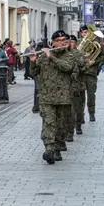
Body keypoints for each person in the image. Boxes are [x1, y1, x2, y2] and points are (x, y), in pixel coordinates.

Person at [29, 30, 74, 164]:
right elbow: (34, 73)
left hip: (63, 97)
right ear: (53, 43)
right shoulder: (43, 56)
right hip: (46, 97)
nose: (62, 42)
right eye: (59, 40)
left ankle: (58, 147)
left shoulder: (69, 55)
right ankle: (49, 149)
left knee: (61, 126)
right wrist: (32, 61)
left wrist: (52, 57)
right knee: (49, 123)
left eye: (63, 40)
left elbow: (68, 67)